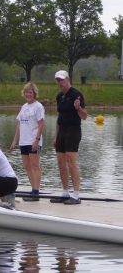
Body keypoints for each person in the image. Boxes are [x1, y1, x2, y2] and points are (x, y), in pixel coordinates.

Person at [51, 70, 87, 205]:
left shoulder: (76, 94)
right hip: (62, 131)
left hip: (73, 130)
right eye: (58, 80)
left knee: (71, 162)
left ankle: (76, 195)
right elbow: (59, 118)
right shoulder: (59, 96)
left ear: (68, 79)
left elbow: (84, 116)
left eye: (62, 80)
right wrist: (56, 136)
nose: (60, 82)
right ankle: (65, 192)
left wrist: (78, 108)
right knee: (61, 163)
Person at [10, 82, 45, 201]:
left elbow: (41, 125)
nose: (28, 94)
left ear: (34, 93)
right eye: (26, 92)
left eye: (30, 92)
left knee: (35, 166)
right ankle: (32, 189)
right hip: (23, 141)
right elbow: (19, 124)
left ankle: (36, 192)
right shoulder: (24, 106)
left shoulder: (38, 106)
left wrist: (37, 140)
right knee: (27, 167)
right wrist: (15, 140)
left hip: (33, 140)